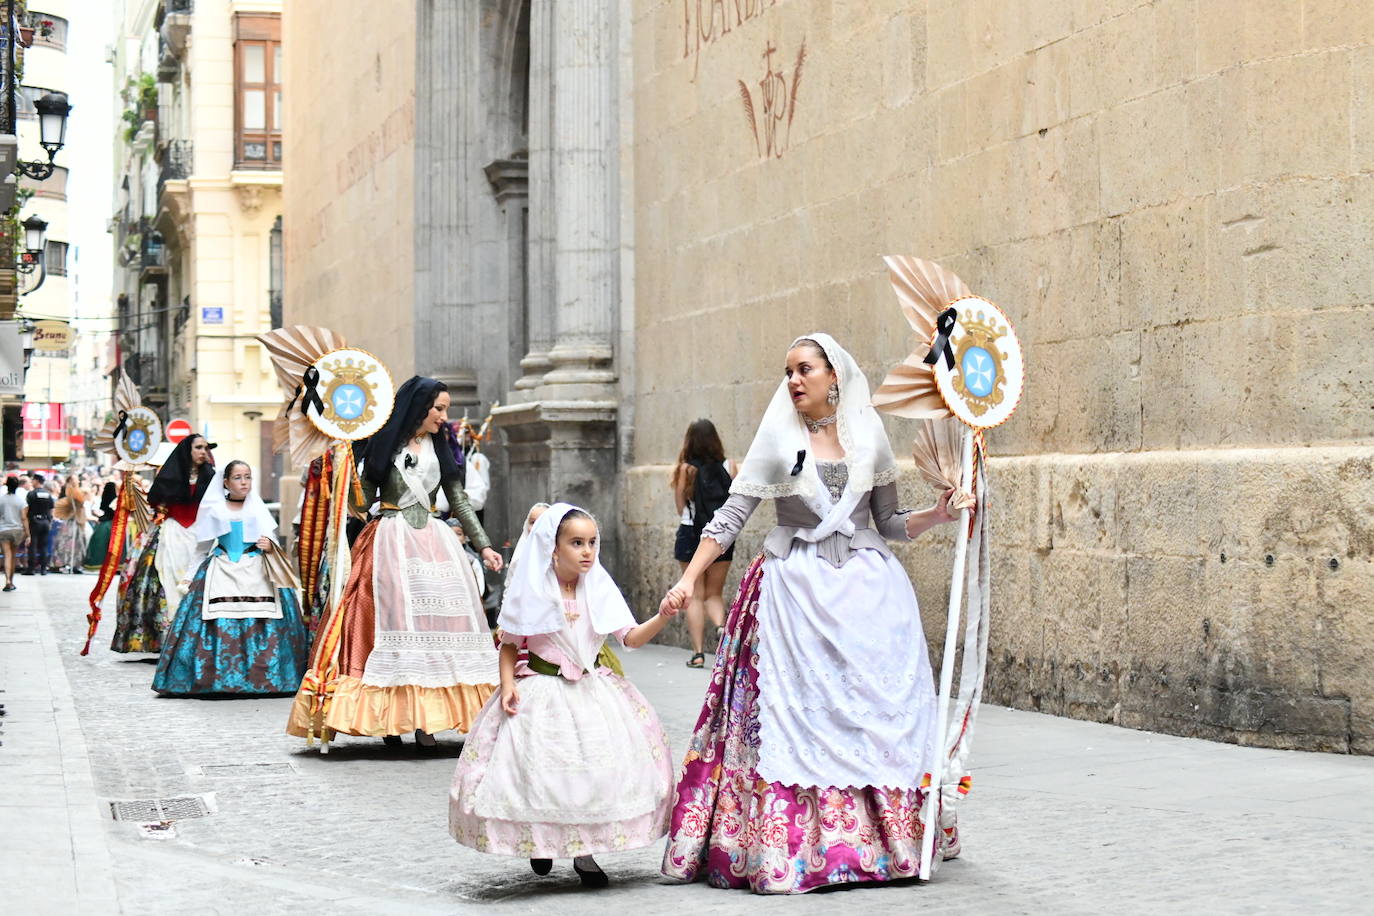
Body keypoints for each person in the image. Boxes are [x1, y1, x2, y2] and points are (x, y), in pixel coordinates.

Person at [658, 334, 970, 895]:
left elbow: (890, 522)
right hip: (794, 593)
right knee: (801, 716)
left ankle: (888, 843)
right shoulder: (777, 438)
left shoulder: (869, 434)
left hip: (868, 596)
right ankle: (797, 847)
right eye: (788, 372)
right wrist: (687, 578)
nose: (794, 381)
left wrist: (939, 513)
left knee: (868, 713)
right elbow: (732, 515)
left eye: (804, 370)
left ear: (835, 376)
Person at [448, 504, 676, 887]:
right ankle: (540, 841)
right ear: (554, 548)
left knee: (589, 775)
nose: (587, 551)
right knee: (541, 773)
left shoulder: (598, 588)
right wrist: (508, 686)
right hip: (542, 690)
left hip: (590, 691)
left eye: (591, 543)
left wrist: (663, 615)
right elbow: (508, 643)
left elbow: (630, 638)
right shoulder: (533, 588)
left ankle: (585, 855)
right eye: (576, 543)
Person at [287, 377, 504, 750]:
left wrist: (484, 547)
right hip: (390, 539)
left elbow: (459, 500)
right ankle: (392, 718)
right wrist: (345, 472)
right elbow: (361, 503)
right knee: (392, 623)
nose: (444, 416)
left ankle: (426, 722)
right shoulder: (384, 449)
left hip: (434, 544)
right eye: (439, 409)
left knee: (440, 626)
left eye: (446, 409)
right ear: (419, 409)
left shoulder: (442, 448)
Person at [153, 461, 309, 696]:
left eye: (247, 477)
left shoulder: (258, 508)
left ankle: (267, 677)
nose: (244, 482)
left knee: (265, 620)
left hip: (257, 571)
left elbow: (273, 540)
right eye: (238, 477)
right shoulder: (215, 510)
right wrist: (188, 578)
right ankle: (216, 678)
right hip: (221, 568)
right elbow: (202, 549)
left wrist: (269, 546)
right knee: (213, 621)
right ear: (226, 482)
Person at [110, 435, 216, 653]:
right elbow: (156, 501)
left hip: (203, 534)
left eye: (206, 448)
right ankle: (167, 635)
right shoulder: (169, 476)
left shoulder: (212, 478)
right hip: (173, 532)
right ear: (188, 451)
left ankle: (199, 634)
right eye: (199, 448)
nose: (203, 452)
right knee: (165, 577)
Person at [669, 419, 737, 668]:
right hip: (721, 536)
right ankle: (720, 627)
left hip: (690, 534)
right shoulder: (729, 466)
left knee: (695, 596)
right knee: (714, 594)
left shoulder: (685, 469)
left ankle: (698, 654)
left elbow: (680, 509)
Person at [53, 474, 90, 573]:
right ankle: (64, 563)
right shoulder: (67, 492)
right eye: (74, 479)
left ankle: (76, 564)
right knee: (65, 543)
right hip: (69, 521)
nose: (76, 481)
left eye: (77, 479)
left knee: (78, 544)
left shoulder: (80, 493)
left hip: (77, 521)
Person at [0, 477, 30, 591]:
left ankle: (7, 581)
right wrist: (28, 533)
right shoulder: (21, 501)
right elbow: (24, 518)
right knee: (12, 556)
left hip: (3, 530)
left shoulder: (1, 499)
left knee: (7, 555)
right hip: (17, 531)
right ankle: (11, 581)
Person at [24, 473, 55, 576]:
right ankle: (43, 569)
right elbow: (52, 509)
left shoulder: (31, 494)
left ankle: (31, 569)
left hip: (34, 521)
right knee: (44, 546)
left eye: (33, 480)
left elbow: (27, 509)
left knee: (33, 545)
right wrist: (50, 521)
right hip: (46, 522)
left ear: (37, 481)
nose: (32, 482)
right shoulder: (48, 494)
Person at [83, 482, 118, 571]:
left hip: (104, 524)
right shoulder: (116, 500)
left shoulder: (105, 498)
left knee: (100, 545)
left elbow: (104, 509)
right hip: (113, 524)